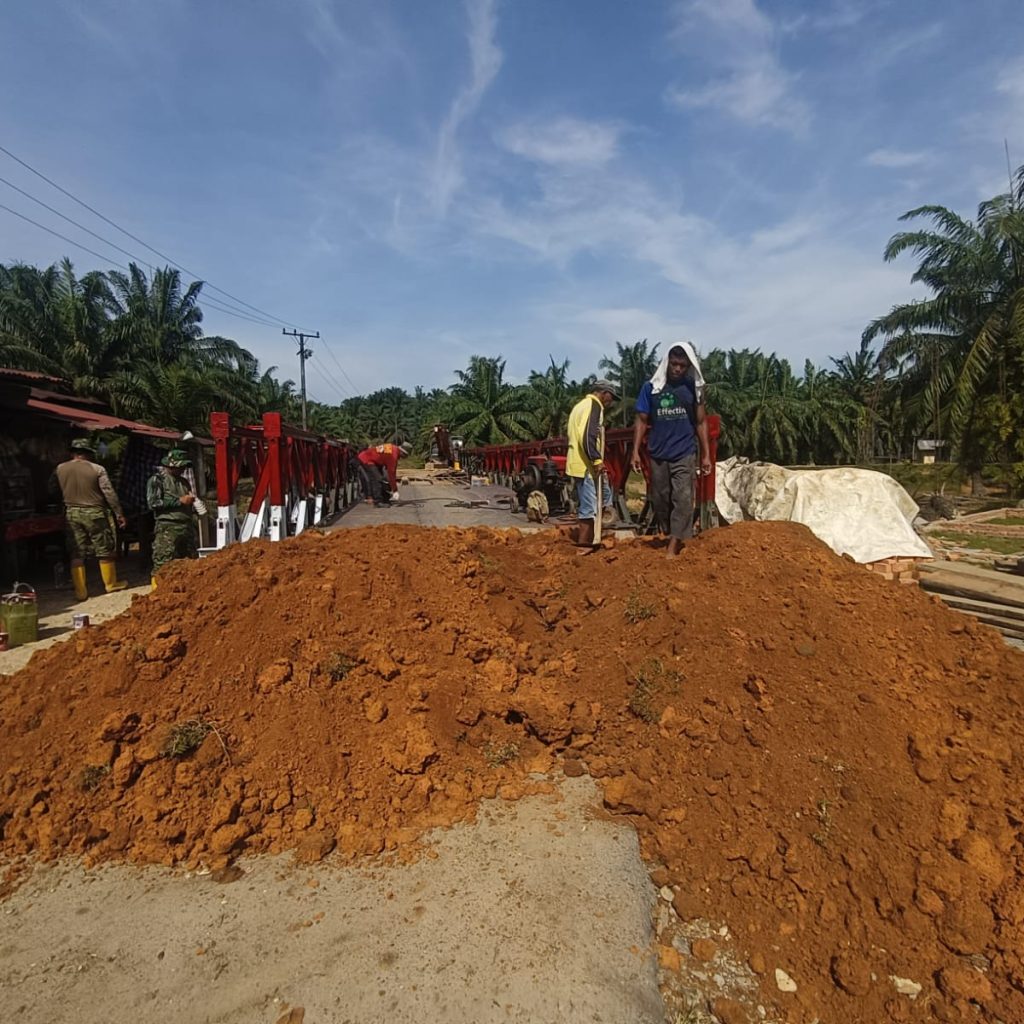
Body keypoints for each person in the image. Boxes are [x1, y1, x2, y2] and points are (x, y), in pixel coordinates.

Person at [631, 342, 711, 557]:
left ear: (689, 366)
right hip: (658, 453)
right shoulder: (651, 388)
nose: (677, 369)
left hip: (684, 452)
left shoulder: (693, 389)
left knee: (683, 498)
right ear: (667, 363)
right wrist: (635, 451)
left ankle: (674, 544)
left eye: (682, 366)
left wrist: (705, 455)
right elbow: (641, 420)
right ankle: (669, 532)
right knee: (660, 498)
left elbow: (701, 422)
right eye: (674, 364)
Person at [54, 438, 129, 599]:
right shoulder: (97, 469)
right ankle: (110, 584)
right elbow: (109, 492)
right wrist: (119, 513)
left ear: (73, 453)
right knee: (104, 549)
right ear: (88, 453)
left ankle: (80, 592)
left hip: (72, 513)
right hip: (95, 513)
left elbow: (51, 488)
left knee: (76, 552)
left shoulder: (60, 468)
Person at [566, 380, 619, 547]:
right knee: (588, 507)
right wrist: (596, 459)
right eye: (611, 396)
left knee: (605, 495)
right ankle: (584, 545)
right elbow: (587, 436)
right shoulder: (594, 405)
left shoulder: (579, 406)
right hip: (585, 464)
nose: (611, 401)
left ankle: (600, 533)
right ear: (603, 393)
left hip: (580, 461)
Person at [147, 449, 199, 588]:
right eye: (180, 466)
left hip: (186, 525)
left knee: (190, 561)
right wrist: (179, 501)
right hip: (168, 526)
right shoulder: (158, 480)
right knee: (162, 562)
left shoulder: (183, 482)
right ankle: (157, 592)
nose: (182, 469)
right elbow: (153, 503)